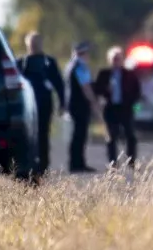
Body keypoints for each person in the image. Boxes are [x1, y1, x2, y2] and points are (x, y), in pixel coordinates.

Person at [16, 32, 67, 174]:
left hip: (45, 104)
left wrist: (62, 103)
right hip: (26, 106)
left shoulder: (49, 62)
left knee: (43, 134)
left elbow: (59, 84)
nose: (34, 46)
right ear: (27, 45)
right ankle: (28, 165)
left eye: (37, 43)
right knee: (27, 136)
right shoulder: (21, 63)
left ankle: (43, 166)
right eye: (32, 43)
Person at [95, 45, 142, 168]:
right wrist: (106, 89)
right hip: (110, 109)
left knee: (131, 136)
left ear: (122, 60)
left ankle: (131, 162)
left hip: (125, 109)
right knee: (111, 137)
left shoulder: (129, 74)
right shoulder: (104, 74)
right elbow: (97, 90)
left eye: (118, 58)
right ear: (109, 60)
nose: (116, 61)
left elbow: (137, 92)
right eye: (114, 58)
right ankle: (113, 163)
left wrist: (135, 108)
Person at [64, 41, 99, 173]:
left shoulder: (70, 65)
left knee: (78, 134)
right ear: (82, 53)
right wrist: (94, 102)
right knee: (80, 134)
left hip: (73, 104)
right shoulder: (80, 66)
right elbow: (86, 87)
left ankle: (77, 162)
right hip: (80, 105)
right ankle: (77, 164)